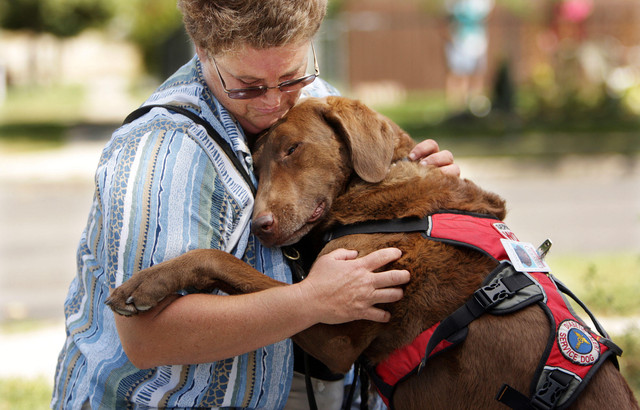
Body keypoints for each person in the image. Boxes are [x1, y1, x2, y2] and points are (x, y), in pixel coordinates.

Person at [52, 1, 459, 408]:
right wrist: (312, 301)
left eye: (290, 76)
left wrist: (419, 182)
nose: (272, 102)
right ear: (202, 49)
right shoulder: (167, 154)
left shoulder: (315, 99)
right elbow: (146, 338)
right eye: (248, 84)